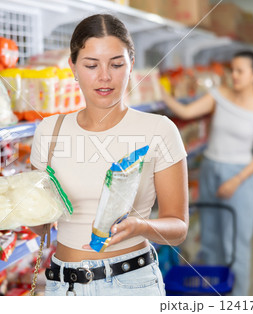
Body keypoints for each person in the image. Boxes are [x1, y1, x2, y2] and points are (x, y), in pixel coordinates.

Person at [30, 14, 189, 296]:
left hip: (130, 284)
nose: (105, 76)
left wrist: (141, 226)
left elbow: (178, 227)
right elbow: (40, 225)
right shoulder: (50, 131)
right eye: (91, 65)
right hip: (61, 285)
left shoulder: (158, 130)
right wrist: (14, 208)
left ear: (131, 66)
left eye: (116, 64)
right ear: (73, 67)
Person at [161, 51, 253, 295]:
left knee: (236, 245)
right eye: (231, 69)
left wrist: (236, 180)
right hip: (210, 169)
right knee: (210, 239)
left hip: (241, 176)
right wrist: (159, 93)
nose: (233, 75)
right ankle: (213, 296)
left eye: (240, 71)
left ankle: (238, 299)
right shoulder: (219, 95)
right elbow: (186, 113)